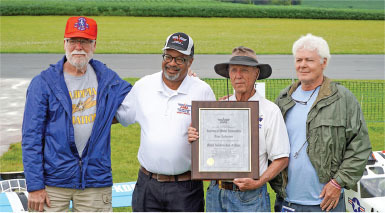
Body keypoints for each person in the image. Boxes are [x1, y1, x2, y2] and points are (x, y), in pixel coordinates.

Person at [22, 16, 132, 212]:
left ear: (94, 45)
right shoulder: (43, 83)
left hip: (95, 181)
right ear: (64, 43)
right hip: (53, 183)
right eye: (73, 41)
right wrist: (35, 186)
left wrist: (184, 78)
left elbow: (140, 97)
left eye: (85, 41)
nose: (78, 47)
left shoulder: (108, 79)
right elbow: (31, 138)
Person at [115, 32, 216, 211]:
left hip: (186, 188)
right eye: (168, 56)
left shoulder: (202, 91)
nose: (171, 63)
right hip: (147, 184)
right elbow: (121, 116)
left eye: (180, 59)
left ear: (190, 62)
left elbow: (215, 136)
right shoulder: (144, 86)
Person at [272, 33, 372, 212]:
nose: (302, 65)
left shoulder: (343, 99)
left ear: (324, 62)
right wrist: (234, 105)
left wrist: (337, 182)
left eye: (309, 60)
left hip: (326, 204)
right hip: (287, 202)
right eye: (299, 60)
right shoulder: (283, 98)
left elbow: (360, 147)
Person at [188, 46, 290, 212]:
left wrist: (258, 182)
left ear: (256, 73)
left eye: (244, 70)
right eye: (234, 70)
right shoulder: (219, 108)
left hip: (250, 197)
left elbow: (282, 158)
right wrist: (195, 136)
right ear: (228, 74)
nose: (238, 75)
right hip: (216, 193)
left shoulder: (269, 110)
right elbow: (208, 147)